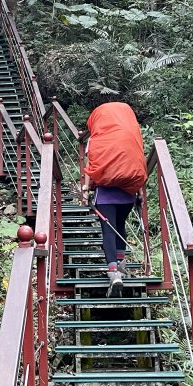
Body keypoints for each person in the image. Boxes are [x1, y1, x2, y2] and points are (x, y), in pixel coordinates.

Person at [82, 102, 147, 297]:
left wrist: (85, 188)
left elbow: (92, 163)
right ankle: (122, 263)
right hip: (128, 192)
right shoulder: (131, 135)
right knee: (120, 226)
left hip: (106, 193)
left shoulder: (97, 139)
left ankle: (113, 273)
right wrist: (140, 190)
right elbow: (139, 160)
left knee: (108, 229)